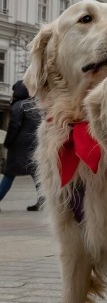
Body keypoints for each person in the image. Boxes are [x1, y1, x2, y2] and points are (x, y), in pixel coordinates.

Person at [0, 81, 43, 212]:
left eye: (14, 91)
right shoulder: (35, 106)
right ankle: (42, 201)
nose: (13, 93)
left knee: (9, 174)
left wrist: (8, 143)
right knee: (36, 173)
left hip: (18, 147)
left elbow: (14, 126)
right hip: (33, 145)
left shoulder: (18, 106)